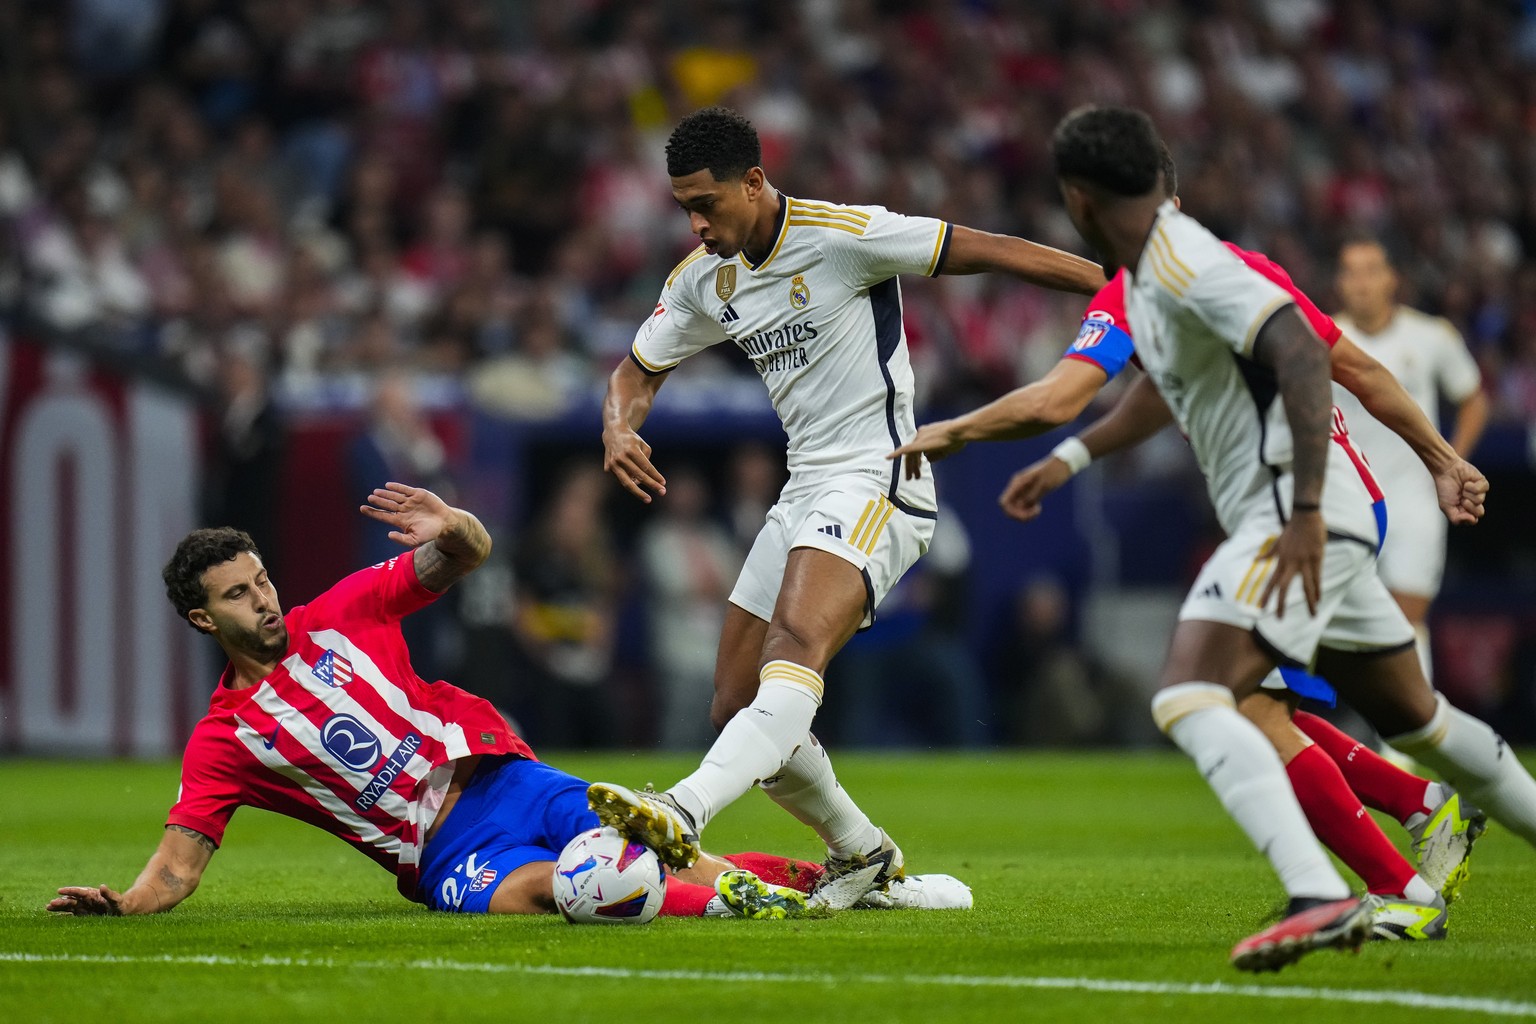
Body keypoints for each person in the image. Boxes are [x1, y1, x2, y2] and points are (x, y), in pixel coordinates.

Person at [900, 105, 1536, 972]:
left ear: (1076, 200)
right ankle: (1426, 816)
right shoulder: (1181, 271)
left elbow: (1308, 364)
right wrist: (1073, 460)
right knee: (1415, 721)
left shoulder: (1181, 268)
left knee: (1204, 697)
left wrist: (951, 430)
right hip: (1335, 508)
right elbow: (1184, 388)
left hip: (1300, 512)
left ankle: (1349, 890)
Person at [588, 106, 1106, 891]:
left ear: (754, 182)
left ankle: (686, 809)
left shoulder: (843, 235)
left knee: (792, 650)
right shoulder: (703, 280)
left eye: (707, 203)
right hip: (805, 486)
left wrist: (1115, 289)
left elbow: (987, 250)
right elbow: (635, 371)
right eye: (683, 207)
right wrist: (617, 429)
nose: (695, 222)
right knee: (733, 704)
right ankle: (863, 851)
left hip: (880, 474)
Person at [46, 483, 968, 921]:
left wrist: (455, 525)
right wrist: (123, 906)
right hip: (441, 850)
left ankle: (842, 884)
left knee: (657, 852)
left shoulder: (340, 611)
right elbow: (178, 865)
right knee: (557, 891)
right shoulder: (226, 740)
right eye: (239, 596)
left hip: (503, 780)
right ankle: (774, 902)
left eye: (261, 580)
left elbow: (467, 556)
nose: (265, 599)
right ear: (203, 622)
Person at [1332, 238, 1488, 682]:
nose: (1361, 283)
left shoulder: (1432, 336)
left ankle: (1402, 739)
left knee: (1406, 617)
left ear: (1391, 279)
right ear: (1339, 283)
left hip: (1416, 498)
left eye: (1370, 271)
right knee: (1345, 626)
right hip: (1345, 498)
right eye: (1350, 272)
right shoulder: (1324, 337)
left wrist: (1451, 461)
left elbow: (1473, 398)